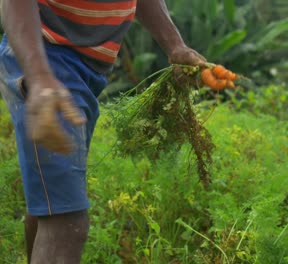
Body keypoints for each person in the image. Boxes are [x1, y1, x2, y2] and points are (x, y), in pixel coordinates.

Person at [0, 0, 207, 263]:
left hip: (87, 70)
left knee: (53, 200)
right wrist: (40, 76)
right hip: (44, 55)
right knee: (67, 222)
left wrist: (175, 45)